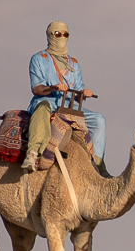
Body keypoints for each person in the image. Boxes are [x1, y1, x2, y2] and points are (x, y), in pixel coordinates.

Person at [21, 22, 106, 172]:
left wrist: (84, 93)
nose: (61, 37)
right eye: (57, 34)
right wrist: (53, 87)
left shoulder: (73, 63)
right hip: (47, 101)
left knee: (99, 120)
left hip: (69, 105)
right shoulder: (38, 59)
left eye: (65, 34)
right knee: (41, 110)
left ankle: (98, 164)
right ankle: (33, 153)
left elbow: (78, 89)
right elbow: (37, 88)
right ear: (50, 35)